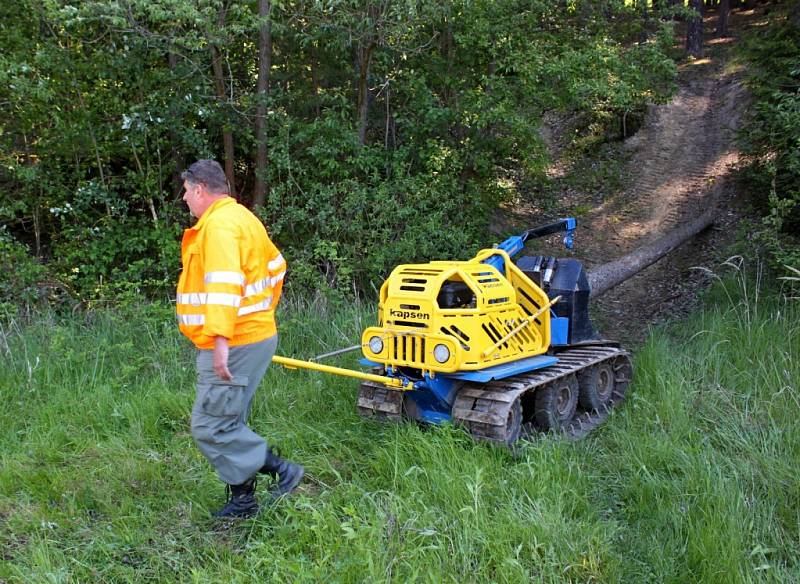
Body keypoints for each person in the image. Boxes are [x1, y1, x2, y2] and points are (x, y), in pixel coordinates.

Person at [176, 159, 303, 519]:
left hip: (233, 342)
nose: (185, 199)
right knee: (229, 421)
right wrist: (261, 315)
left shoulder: (218, 227)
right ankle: (243, 501)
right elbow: (277, 267)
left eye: (186, 192)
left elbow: (224, 285)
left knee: (209, 426)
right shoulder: (245, 219)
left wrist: (220, 340)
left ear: (200, 189)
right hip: (253, 335)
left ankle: (281, 468)